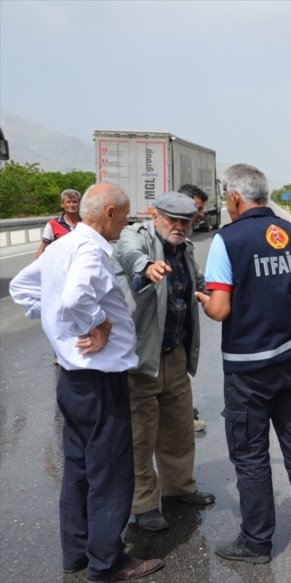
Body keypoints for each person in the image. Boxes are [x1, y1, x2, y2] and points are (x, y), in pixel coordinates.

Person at [9, 183, 164, 581]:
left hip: (72, 378)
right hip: (99, 380)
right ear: (109, 212)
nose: (126, 223)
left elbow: (22, 287)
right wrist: (101, 323)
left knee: (78, 469)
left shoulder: (60, 245)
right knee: (109, 472)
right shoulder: (92, 248)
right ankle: (107, 562)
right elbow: (76, 297)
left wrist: (59, 333)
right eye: (125, 216)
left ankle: (76, 553)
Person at [195, 163, 291, 562]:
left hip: (248, 370)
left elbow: (220, 310)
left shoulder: (228, 240)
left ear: (235, 197)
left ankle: (256, 542)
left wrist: (204, 300)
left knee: (251, 455)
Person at [113, 192, 215, 533]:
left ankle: (179, 488)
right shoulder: (136, 237)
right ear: (156, 215)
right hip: (141, 357)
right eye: (172, 219)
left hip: (175, 352)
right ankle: (143, 504)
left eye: (186, 222)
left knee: (179, 427)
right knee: (141, 435)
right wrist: (147, 267)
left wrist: (214, 292)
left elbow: (198, 285)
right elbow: (129, 257)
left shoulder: (185, 250)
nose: (179, 226)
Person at [179, 183, 210, 433]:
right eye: (198, 209)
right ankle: (182, 417)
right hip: (161, 331)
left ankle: (184, 412)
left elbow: (199, 282)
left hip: (180, 328)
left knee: (178, 375)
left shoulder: (185, 244)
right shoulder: (150, 240)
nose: (202, 214)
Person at [36, 188, 81, 257]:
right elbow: (42, 248)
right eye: (68, 202)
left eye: (74, 202)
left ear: (79, 204)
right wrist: (39, 266)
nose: (72, 205)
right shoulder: (53, 224)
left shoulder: (86, 223)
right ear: (62, 204)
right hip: (61, 266)